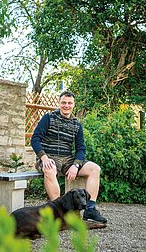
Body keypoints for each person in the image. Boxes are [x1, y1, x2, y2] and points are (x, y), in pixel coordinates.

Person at [30, 91, 107, 224]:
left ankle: (90, 209)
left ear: (73, 105)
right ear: (59, 103)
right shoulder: (48, 118)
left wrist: (76, 165)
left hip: (68, 159)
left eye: (69, 103)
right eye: (63, 102)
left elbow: (81, 149)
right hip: (49, 157)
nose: (66, 105)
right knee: (49, 169)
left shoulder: (77, 125)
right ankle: (58, 212)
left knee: (95, 169)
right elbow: (35, 139)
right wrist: (44, 158)